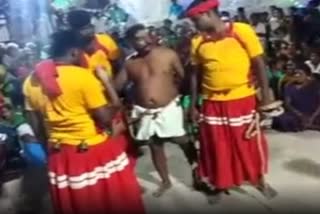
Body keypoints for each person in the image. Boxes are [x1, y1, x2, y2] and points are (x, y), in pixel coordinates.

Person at [23, 30, 144, 214]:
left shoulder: (30, 81)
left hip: (60, 154)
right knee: (114, 199)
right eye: (82, 53)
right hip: (94, 151)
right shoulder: (82, 77)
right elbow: (105, 118)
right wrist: (107, 83)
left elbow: (36, 126)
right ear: (74, 52)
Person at [186, 0, 277, 203]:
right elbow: (194, 75)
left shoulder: (241, 31)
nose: (194, 24)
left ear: (209, 13)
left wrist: (266, 98)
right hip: (211, 102)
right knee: (216, 146)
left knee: (249, 143)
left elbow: (259, 64)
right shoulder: (197, 42)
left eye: (195, 19)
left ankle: (259, 180)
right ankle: (219, 183)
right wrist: (192, 105)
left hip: (242, 99)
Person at [114, 24, 198, 197]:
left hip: (169, 107)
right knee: (155, 146)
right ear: (130, 42)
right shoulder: (130, 63)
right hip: (145, 112)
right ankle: (165, 181)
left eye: (146, 36)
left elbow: (184, 78)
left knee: (182, 140)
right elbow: (117, 86)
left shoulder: (168, 54)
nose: (144, 40)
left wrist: (187, 102)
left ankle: (198, 173)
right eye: (138, 38)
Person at [67, 10, 121, 77]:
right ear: (74, 31)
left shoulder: (104, 40)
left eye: (90, 26)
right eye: (84, 29)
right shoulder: (72, 52)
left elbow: (117, 63)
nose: (90, 31)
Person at [273, 64, 320, 132]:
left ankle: (308, 125)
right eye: (295, 73)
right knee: (281, 119)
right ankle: (310, 126)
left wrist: (312, 117)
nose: (297, 75)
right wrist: (300, 115)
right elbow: (288, 104)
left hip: (314, 114)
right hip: (296, 114)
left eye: (300, 73)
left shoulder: (315, 85)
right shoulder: (289, 86)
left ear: (307, 75)